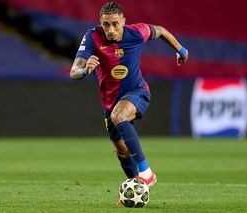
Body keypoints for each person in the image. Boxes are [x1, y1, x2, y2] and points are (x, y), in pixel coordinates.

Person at [70, 0, 188, 195]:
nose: (111, 29)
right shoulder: (92, 36)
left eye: (115, 23)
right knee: (122, 151)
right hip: (109, 101)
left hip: (137, 91)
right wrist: (84, 70)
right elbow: (74, 71)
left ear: (123, 21)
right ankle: (137, 190)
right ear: (100, 22)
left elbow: (160, 30)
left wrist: (181, 50)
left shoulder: (136, 32)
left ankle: (146, 173)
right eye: (106, 24)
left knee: (119, 116)